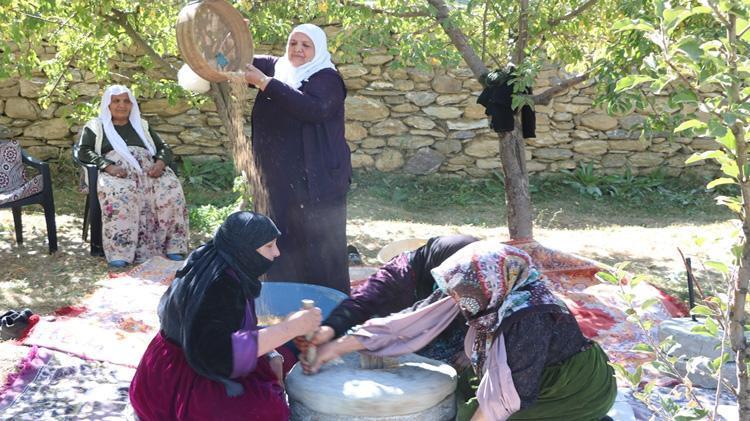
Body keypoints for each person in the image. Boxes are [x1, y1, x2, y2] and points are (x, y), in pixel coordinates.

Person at [304, 241, 617, 421]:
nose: (455, 299)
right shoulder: (481, 286)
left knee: (472, 413)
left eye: (460, 293)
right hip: (524, 373)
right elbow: (409, 321)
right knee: (462, 391)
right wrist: (336, 346)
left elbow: (505, 399)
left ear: (487, 285)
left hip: (571, 386)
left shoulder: (528, 317)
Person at [129, 211, 322, 420]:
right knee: (266, 410)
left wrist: (274, 351)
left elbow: (227, 328)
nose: (277, 252)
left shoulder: (222, 260)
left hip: (198, 353)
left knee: (285, 354)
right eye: (268, 246)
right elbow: (218, 355)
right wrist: (290, 328)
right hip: (181, 378)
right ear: (244, 248)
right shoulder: (218, 285)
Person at [243, 23, 351, 294]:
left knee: (318, 243)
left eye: (306, 45)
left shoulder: (327, 78)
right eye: (293, 43)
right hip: (277, 178)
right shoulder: (277, 67)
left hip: (315, 180)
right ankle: (283, 298)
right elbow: (235, 62)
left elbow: (313, 108)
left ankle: (326, 302)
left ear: (318, 49)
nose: (298, 50)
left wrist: (265, 84)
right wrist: (236, 35)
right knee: (279, 238)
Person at [307, 235, 478, 364]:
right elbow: (363, 300)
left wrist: (473, 348)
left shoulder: (473, 277)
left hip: (444, 329)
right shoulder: (400, 271)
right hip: (402, 324)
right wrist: (330, 329)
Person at [76, 85, 189, 267]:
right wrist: (108, 166)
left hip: (148, 170)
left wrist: (160, 164)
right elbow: (84, 151)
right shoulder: (96, 126)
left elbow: (164, 148)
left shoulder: (141, 125)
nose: (121, 105)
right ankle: (120, 251)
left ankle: (173, 246)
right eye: (116, 101)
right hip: (116, 171)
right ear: (107, 104)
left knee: (170, 189)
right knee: (122, 194)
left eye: (126, 101)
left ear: (132, 105)